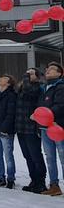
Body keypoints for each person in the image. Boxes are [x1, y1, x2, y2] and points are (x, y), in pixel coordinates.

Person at [15, 68, 47, 193]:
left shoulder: (38, 88)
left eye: (31, 73)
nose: (27, 75)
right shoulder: (21, 89)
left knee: (36, 156)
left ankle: (41, 182)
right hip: (20, 127)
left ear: (37, 77)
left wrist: (26, 76)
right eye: (27, 73)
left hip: (31, 128)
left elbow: (29, 91)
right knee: (27, 156)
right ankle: (33, 180)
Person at [36, 62, 64, 196]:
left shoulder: (61, 86)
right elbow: (40, 107)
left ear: (59, 73)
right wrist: (38, 117)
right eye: (48, 68)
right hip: (44, 128)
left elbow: (60, 106)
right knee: (50, 157)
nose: (48, 70)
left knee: (62, 156)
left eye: (52, 69)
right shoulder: (44, 87)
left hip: (58, 127)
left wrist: (45, 115)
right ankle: (54, 186)